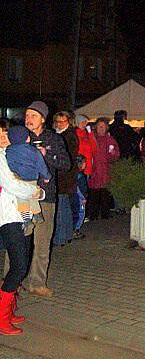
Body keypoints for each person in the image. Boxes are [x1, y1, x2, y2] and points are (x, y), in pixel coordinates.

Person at [0, 120, 45, 334]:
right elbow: (11, 185)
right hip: (8, 216)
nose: (2, 137)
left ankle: (9, 310)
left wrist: (39, 192)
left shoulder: (11, 153)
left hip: (21, 215)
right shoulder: (1, 157)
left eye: (4, 133)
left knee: (22, 262)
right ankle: (2, 317)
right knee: (18, 265)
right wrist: (35, 192)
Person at [24, 100, 71, 297]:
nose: (28, 119)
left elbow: (66, 164)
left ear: (43, 119)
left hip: (45, 198)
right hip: (22, 198)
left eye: (33, 116)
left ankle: (37, 282)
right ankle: (12, 280)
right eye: (27, 115)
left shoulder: (53, 139)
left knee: (42, 242)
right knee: (19, 241)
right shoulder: (19, 138)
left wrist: (47, 156)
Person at [5, 125, 51, 233]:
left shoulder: (9, 151)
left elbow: (9, 165)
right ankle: (37, 214)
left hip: (18, 178)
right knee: (33, 196)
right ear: (28, 138)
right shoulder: (34, 151)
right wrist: (46, 176)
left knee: (22, 199)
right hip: (32, 178)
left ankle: (27, 220)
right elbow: (41, 165)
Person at [52, 111, 79, 247]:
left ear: (69, 122)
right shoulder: (62, 135)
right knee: (65, 206)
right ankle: (66, 235)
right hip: (66, 175)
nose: (60, 123)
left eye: (63, 121)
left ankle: (60, 237)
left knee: (61, 207)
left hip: (64, 175)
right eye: (58, 121)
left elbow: (66, 156)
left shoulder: (67, 136)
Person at [88, 118, 120, 219]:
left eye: (103, 127)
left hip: (106, 170)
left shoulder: (110, 140)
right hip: (94, 170)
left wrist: (111, 158)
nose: (101, 129)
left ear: (106, 128)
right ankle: (93, 215)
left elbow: (115, 154)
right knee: (94, 193)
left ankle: (105, 214)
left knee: (105, 193)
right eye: (99, 126)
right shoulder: (91, 138)